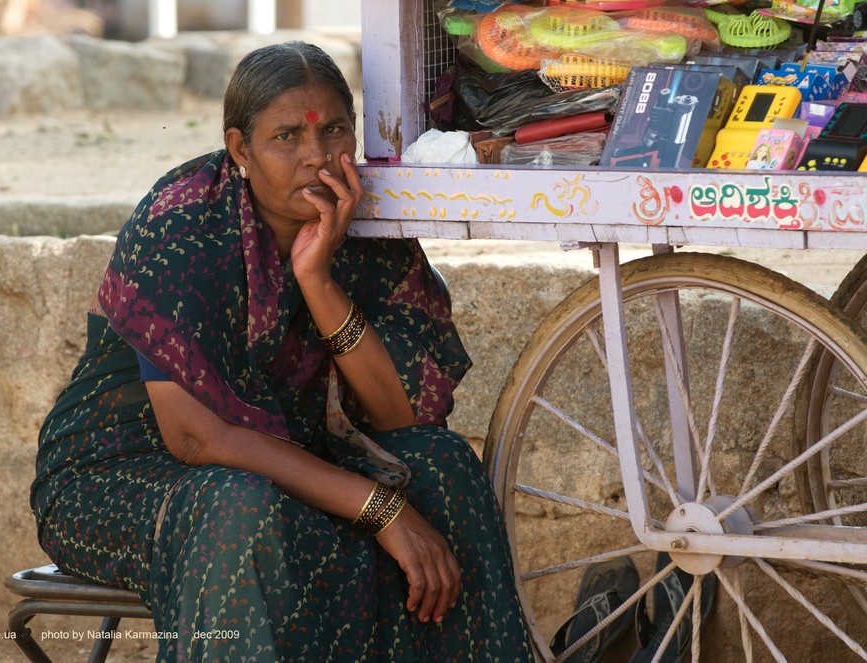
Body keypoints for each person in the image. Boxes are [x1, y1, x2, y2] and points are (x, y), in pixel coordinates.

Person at [32, 40, 535, 662]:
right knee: (240, 508)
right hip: (124, 470)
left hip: (293, 457)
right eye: (286, 137)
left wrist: (318, 282)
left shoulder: (363, 225)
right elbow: (197, 440)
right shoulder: (181, 223)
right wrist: (379, 508)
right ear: (240, 149)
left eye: (335, 133)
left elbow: (401, 420)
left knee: (441, 464)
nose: (317, 157)